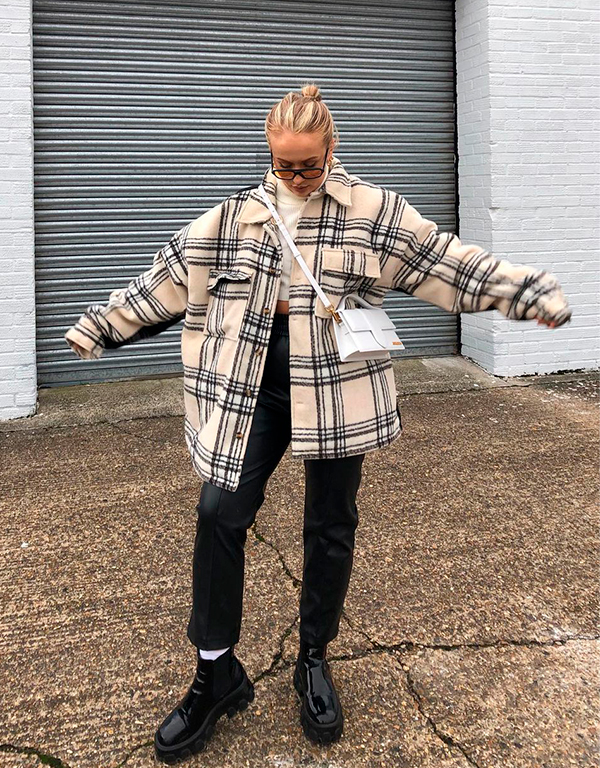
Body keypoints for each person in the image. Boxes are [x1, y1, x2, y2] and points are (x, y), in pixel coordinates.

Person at [64, 82, 572, 762]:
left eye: (308, 164)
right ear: (269, 154)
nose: (296, 176)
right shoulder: (236, 217)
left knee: (331, 524)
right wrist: (100, 326)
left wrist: (524, 292)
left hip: (336, 383)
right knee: (219, 513)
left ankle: (313, 657)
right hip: (252, 383)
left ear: (332, 149)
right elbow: (168, 277)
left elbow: (446, 262)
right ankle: (215, 672)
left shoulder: (373, 211)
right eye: (284, 164)